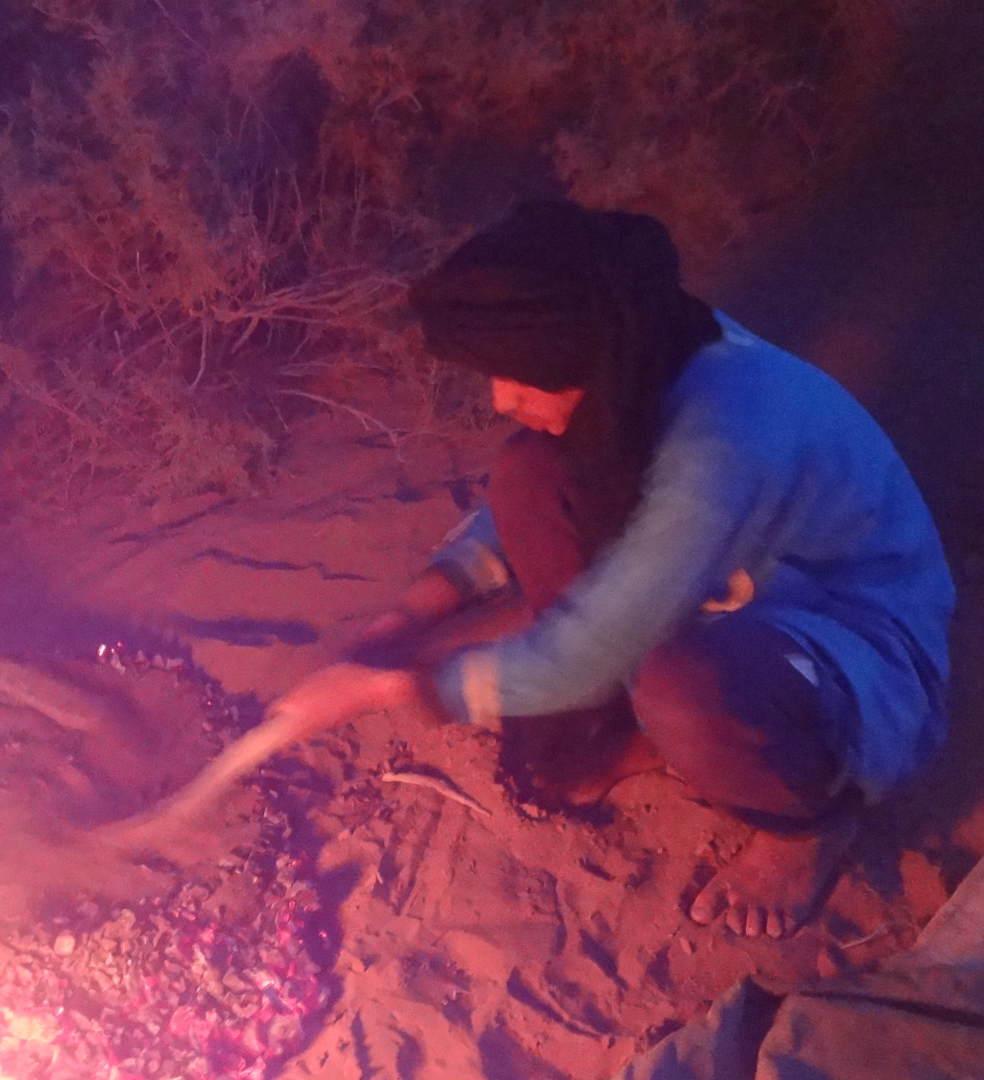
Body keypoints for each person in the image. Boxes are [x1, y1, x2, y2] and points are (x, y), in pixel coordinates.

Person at [269, 201, 954, 940]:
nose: (503, 396)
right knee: (528, 470)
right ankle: (642, 726)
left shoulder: (726, 443)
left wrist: (394, 686)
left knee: (677, 684)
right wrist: (411, 615)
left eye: (523, 376)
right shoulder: (639, 356)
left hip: (848, 635)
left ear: (590, 363)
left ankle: (804, 831)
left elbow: (600, 644)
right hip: (722, 590)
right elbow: (526, 511)